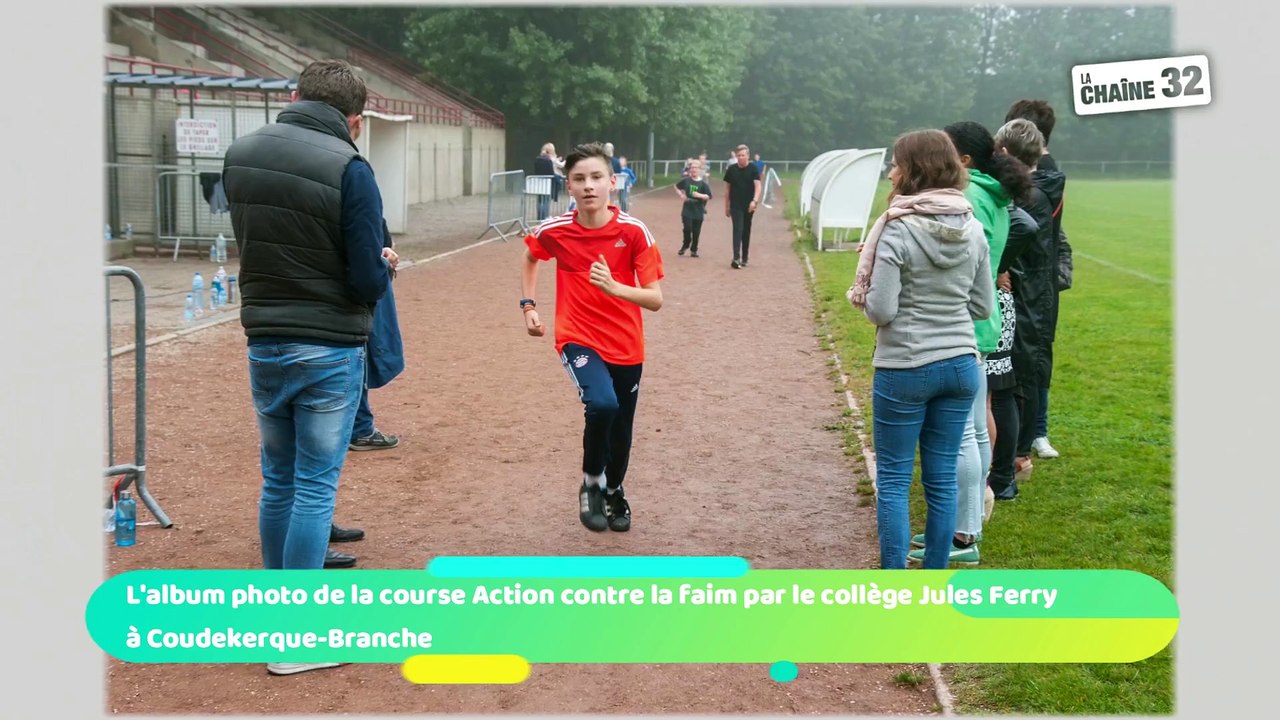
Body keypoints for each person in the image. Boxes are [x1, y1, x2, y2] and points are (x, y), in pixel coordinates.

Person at [223, 59, 392, 675]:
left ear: (294, 96)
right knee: (316, 487)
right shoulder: (352, 167)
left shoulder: (241, 152)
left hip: (263, 337)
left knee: (279, 479)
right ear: (355, 118)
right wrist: (385, 264)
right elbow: (366, 277)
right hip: (328, 343)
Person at [846, 129, 993, 570]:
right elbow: (983, 305)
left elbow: (881, 311)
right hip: (961, 365)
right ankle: (932, 582)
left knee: (892, 479)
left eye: (896, 163)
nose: (891, 172)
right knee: (942, 477)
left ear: (912, 170)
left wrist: (866, 287)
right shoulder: (973, 227)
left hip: (905, 366)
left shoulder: (896, 229)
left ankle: (893, 583)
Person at [520, 143, 665, 533]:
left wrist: (616, 288)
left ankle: (616, 490)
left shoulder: (634, 232)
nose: (589, 186)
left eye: (597, 177)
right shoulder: (557, 230)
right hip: (577, 337)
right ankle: (592, 484)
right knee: (601, 404)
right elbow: (532, 254)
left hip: (627, 344)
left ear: (612, 183)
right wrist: (528, 305)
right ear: (568, 186)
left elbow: (655, 299)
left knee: (622, 430)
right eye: (580, 179)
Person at [906, 121, 1032, 567]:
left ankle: (962, 535)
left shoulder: (972, 196)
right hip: (979, 321)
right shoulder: (991, 191)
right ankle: (969, 526)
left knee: (962, 433)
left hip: (958, 323)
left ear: (964, 160)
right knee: (975, 429)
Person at [993, 118, 1065, 482]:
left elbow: (1025, 233)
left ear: (1004, 150)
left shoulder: (1030, 194)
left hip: (1027, 292)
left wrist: (999, 266)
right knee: (1023, 372)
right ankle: (1015, 457)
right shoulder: (1039, 188)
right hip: (1036, 291)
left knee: (1018, 375)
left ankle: (1015, 460)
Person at [1005, 99, 1071, 459]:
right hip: (1036, 279)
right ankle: (1032, 434)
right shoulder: (1039, 171)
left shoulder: (1041, 174)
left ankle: (1032, 434)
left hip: (1031, 280)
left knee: (1030, 357)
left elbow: (1036, 230)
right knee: (1032, 355)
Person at [722, 144, 762, 268]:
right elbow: (727, 189)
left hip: (749, 204)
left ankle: (745, 257)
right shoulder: (732, 169)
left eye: (743, 155)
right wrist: (726, 206)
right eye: (738, 155)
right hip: (735, 204)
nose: (740, 157)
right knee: (737, 228)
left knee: (746, 229)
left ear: (748, 156)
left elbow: (758, 186)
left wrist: (754, 201)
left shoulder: (753, 169)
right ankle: (736, 257)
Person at [674, 158, 712, 257]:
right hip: (687, 208)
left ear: (700, 170)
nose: (694, 169)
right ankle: (686, 243)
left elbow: (709, 196)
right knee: (687, 228)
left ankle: (694, 250)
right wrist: (681, 195)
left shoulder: (703, 184)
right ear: (690, 169)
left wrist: (699, 195)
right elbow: (676, 186)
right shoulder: (686, 181)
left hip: (698, 208)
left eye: (696, 168)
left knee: (696, 231)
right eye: (692, 168)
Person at [534, 143, 558, 220]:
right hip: (547, 183)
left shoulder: (537, 159)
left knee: (540, 201)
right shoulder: (548, 161)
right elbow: (551, 172)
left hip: (539, 183)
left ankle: (539, 217)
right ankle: (545, 217)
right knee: (546, 201)